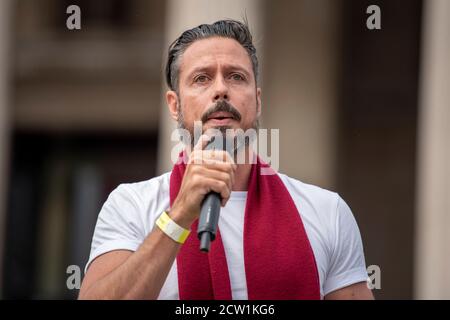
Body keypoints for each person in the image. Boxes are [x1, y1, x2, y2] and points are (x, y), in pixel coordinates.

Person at [79, 19, 373, 300]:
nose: (221, 89)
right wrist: (179, 214)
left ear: (257, 101)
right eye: (201, 78)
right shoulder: (131, 205)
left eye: (236, 76)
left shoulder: (327, 212)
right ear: (174, 105)